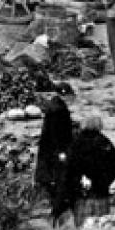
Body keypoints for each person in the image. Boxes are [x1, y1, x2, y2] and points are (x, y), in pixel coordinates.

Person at [64, 116, 115, 217]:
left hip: (81, 190)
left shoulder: (77, 142)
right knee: (100, 219)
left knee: (83, 221)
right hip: (101, 189)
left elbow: (69, 165)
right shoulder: (104, 141)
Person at [36, 95, 75, 223]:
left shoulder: (52, 109)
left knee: (51, 178)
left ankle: (55, 206)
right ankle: (58, 208)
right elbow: (60, 134)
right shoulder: (59, 111)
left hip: (49, 151)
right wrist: (62, 151)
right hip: (57, 151)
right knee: (60, 178)